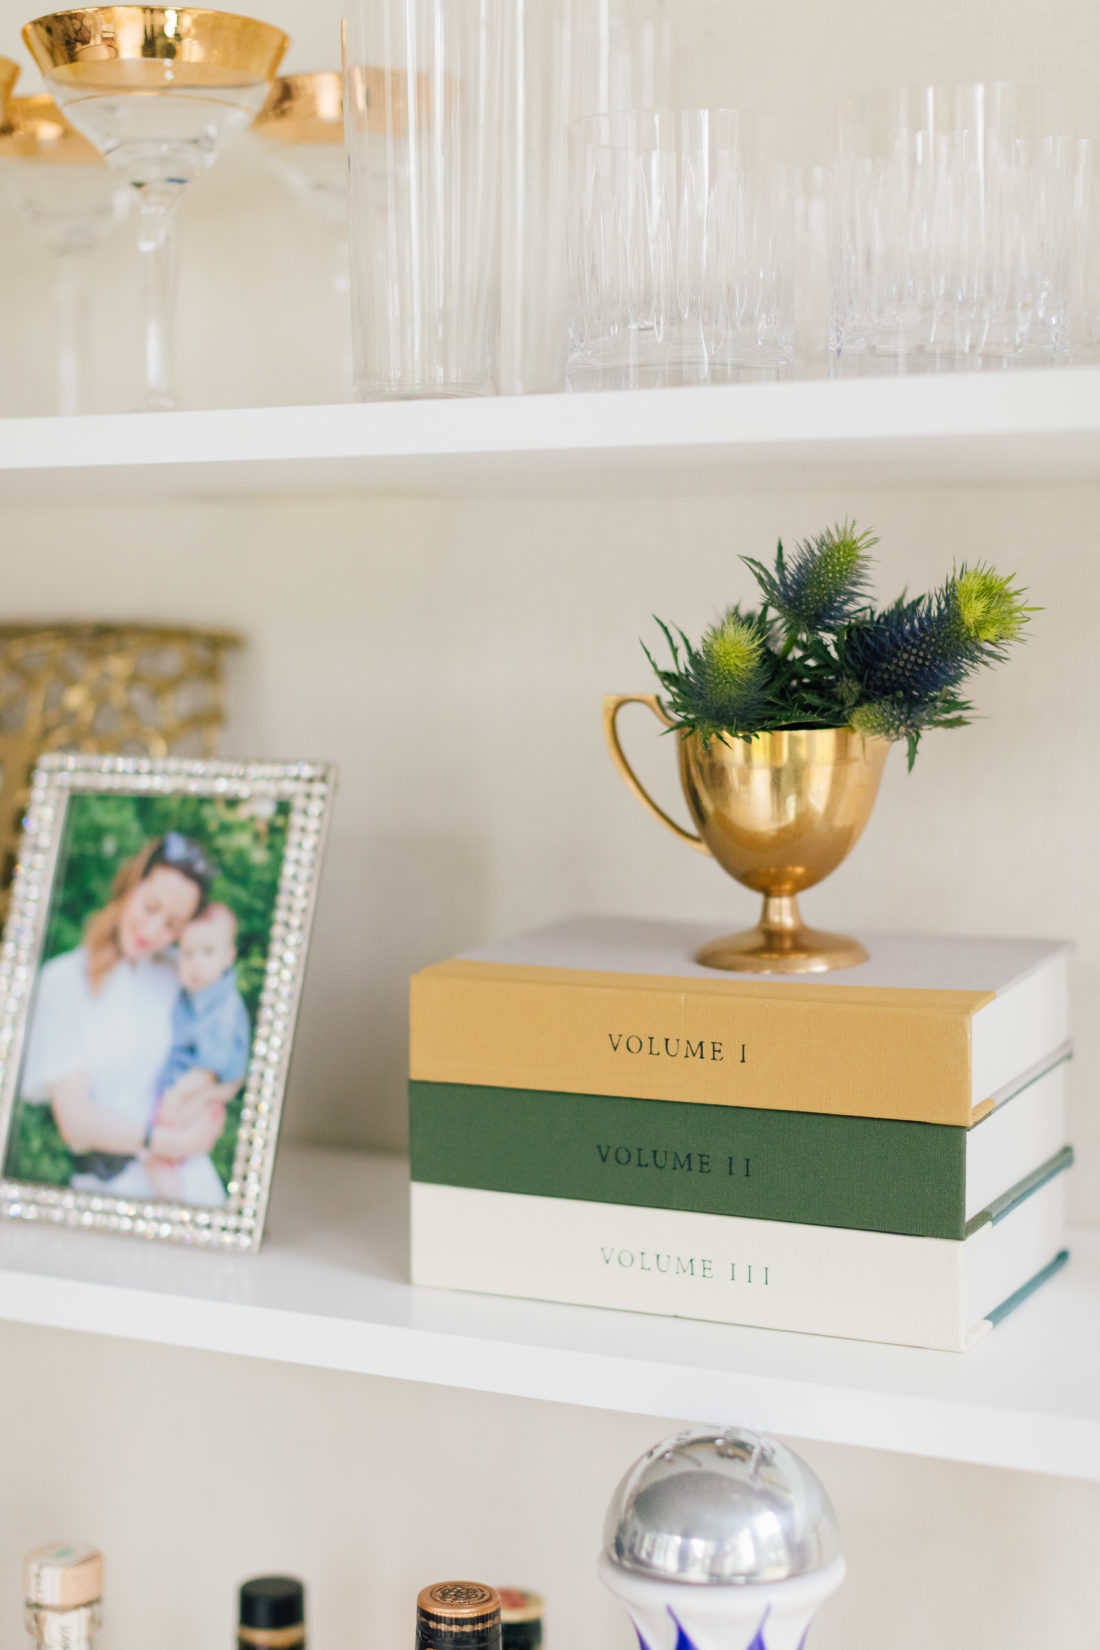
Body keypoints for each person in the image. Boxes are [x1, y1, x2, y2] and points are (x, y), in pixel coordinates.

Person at [18, 832, 236, 1207]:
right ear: (130, 885)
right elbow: (75, 1122)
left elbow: (227, 1056)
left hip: (190, 1184)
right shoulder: (63, 981)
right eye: (150, 907)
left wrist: (212, 1100)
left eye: (173, 924)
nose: (153, 932)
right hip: (105, 1193)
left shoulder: (181, 977)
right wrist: (171, 1142)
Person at [144, 902, 251, 1202]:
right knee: (165, 1163)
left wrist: (176, 1097)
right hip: (186, 1092)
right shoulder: (194, 993)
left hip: (192, 1095)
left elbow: (209, 1070)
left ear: (228, 957)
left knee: (162, 1160)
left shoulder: (223, 1007)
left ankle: (173, 1208)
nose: (195, 963)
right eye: (188, 953)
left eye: (207, 953)